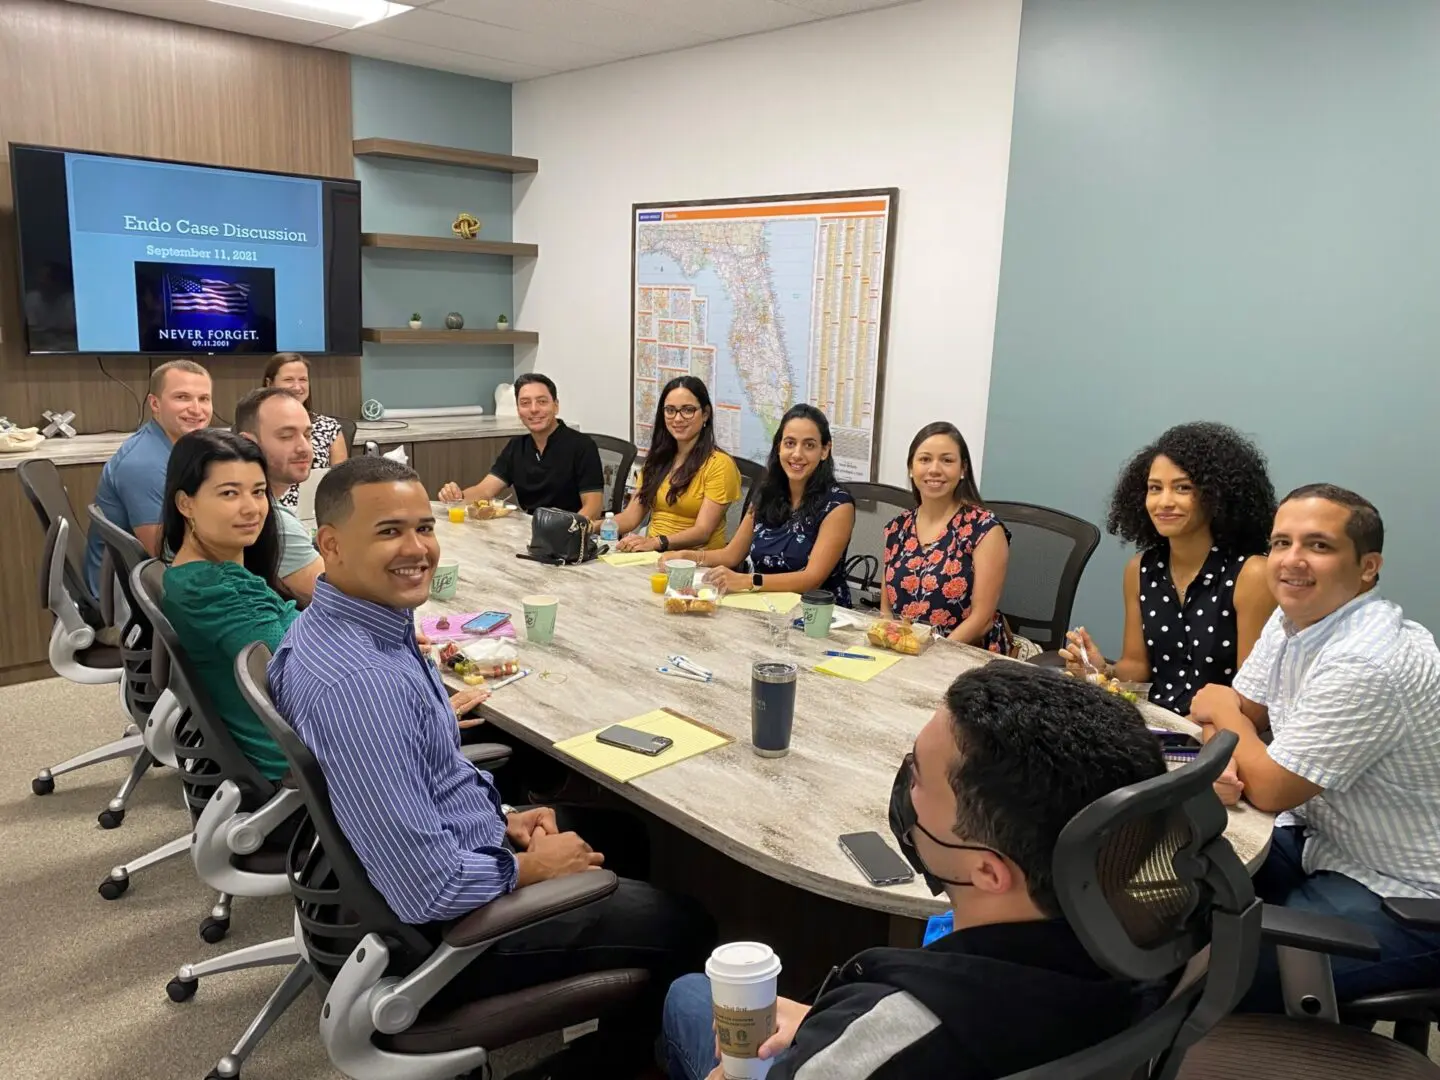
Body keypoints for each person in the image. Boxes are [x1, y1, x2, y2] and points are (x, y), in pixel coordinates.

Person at [268, 457, 714, 1077]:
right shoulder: (361, 683)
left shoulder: (337, 629)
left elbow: (419, 778)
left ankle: (619, 1023)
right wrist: (530, 867)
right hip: (442, 933)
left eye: (424, 527)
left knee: (625, 836)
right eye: (390, 531)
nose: (417, 548)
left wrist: (501, 820)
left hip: (437, 854)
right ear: (331, 545)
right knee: (686, 923)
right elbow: (426, 887)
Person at [662, 664, 1170, 1080]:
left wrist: (840, 1038)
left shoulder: (893, 1040)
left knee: (688, 995)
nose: (905, 787)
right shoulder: (1155, 948)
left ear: (989, 872)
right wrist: (829, 1024)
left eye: (919, 778)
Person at [1189, 484, 1440, 1011]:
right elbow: (1241, 712)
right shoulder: (1294, 622)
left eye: (1319, 546)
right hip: (1322, 842)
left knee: (1208, 975)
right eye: (1281, 543)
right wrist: (1230, 740)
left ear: (1368, 567)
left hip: (1406, 890)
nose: (1292, 561)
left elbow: (1272, 783)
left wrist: (1226, 719)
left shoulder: (1367, 660)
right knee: (1168, 895)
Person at [1062, 421, 1276, 716]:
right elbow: (1136, 667)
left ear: (1217, 495)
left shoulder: (1252, 574)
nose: (1164, 502)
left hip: (1218, 734)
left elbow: (1254, 701)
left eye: (1182, 488)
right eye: (1154, 488)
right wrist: (1103, 671)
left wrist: (1186, 730)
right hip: (1154, 724)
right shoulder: (1139, 570)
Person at [158, 429, 297, 780]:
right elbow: (303, 680)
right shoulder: (217, 592)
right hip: (301, 764)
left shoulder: (195, 574)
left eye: (259, 492)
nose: (252, 508)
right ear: (186, 503)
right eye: (229, 493)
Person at [662, 404, 855, 604]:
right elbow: (732, 554)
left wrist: (747, 581)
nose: (797, 454)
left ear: (825, 450)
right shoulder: (767, 493)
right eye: (790, 443)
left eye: (809, 445)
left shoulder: (838, 505)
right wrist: (687, 556)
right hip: (764, 605)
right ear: (779, 446)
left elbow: (811, 579)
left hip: (816, 616)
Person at [84, 358, 212, 594]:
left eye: (204, 398)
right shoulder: (143, 463)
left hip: (144, 579)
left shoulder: (180, 448)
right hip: (128, 595)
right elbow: (165, 555)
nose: (196, 409)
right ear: (155, 404)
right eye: (182, 397)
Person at [881, 422, 1012, 653]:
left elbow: (982, 620)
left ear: (963, 469)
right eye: (924, 459)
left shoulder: (984, 529)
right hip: (905, 652)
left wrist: (928, 653)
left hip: (964, 655)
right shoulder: (897, 528)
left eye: (947, 460)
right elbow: (886, 609)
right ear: (911, 467)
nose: (934, 469)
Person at [437, 373, 605, 520]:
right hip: (530, 530)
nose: (533, 409)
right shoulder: (517, 446)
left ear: (556, 406)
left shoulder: (582, 446)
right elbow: (485, 490)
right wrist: (458, 496)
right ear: (518, 410)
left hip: (569, 534)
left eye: (542, 401)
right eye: (525, 403)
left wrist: (566, 530)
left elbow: (593, 508)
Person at [614, 376, 741, 553]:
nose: (678, 418)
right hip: (651, 556)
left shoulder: (719, 464)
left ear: (705, 413)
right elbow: (630, 518)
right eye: (670, 410)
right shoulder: (657, 459)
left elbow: (702, 532)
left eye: (688, 410)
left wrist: (656, 543)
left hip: (696, 562)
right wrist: (587, 526)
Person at [234, 387, 325, 607]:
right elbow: (348, 601)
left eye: (307, 434)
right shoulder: (273, 523)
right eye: (286, 436)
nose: (304, 447)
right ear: (249, 444)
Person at [262, 352, 348, 510]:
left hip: (316, 513)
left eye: (303, 380)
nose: (297, 387)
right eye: (288, 380)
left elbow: (340, 484)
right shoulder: (258, 426)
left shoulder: (329, 427)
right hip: (269, 512)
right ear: (270, 383)